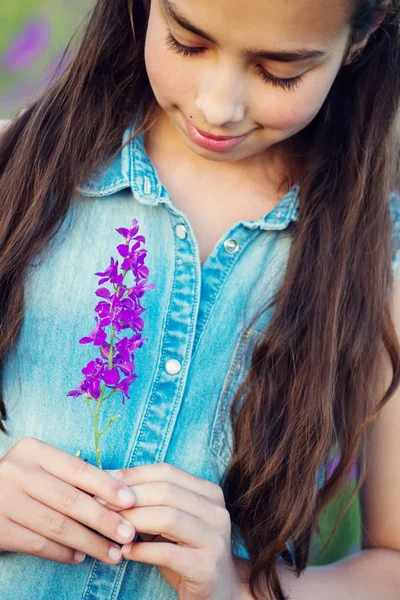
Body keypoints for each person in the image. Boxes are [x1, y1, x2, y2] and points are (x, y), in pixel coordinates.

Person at [0, 0, 399, 598]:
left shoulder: (375, 262)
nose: (219, 106)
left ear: (363, 34)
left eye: (279, 72)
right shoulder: (19, 172)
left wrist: (240, 590)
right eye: (187, 42)